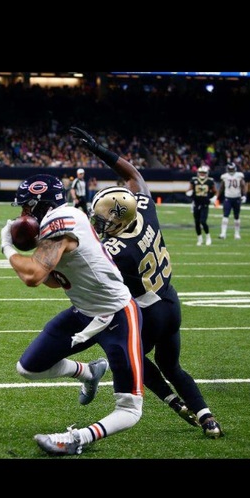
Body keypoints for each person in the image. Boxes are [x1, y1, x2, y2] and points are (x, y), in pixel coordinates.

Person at [70, 126, 224, 439]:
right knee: (172, 366)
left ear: (118, 220)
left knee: (130, 356)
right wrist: (101, 150)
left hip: (148, 313)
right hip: (170, 302)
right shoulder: (145, 211)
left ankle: (173, 402)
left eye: (103, 220)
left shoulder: (118, 251)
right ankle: (208, 419)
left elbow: (84, 269)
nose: (99, 224)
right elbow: (134, 175)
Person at [0, 174, 144, 456]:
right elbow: (53, 282)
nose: (23, 214)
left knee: (130, 406)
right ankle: (88, 372)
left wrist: (6, 247)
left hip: (116, 315)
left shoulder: (62, 220)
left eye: (27, 207)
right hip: (83, 313)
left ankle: (78, 438)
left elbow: (32, 277)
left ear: (41, 205)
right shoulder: (57, 223)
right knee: (28, 368)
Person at [186, 165, 216, 246]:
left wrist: (214, 198)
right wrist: (188, 192)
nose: (202, 174)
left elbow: (215, 191)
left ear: (206, 173)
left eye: (204, 173)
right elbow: (189, 189)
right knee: (197, 222)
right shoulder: (194, 180)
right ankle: (200, 239)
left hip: (205, 204)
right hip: (196, 203)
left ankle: (208, 237)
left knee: (203, 221)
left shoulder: (210, 181)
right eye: (201, 172)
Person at [217, 163, 247, 240]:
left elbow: (243, 185)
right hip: (228, 198)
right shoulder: (224, 176)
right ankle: (223, 233)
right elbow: (221, 188)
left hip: (237, 198)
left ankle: (237, 234)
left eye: (232, 169)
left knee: (236, 216)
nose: (231, 171)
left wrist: (244, 195)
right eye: (230, 169)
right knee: (225, 215)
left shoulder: (239, 175)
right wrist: (216, 197)